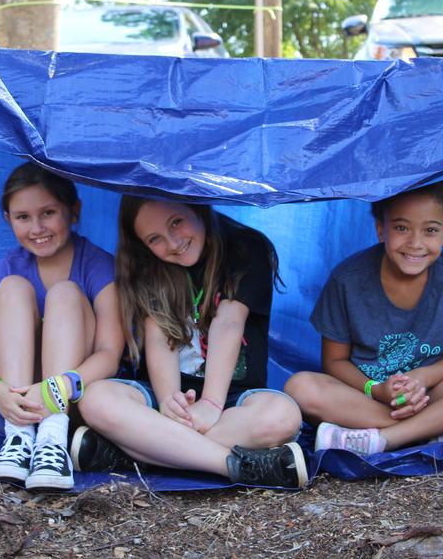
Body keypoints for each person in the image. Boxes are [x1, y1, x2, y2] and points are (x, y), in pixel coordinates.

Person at [72, 197, 307, 489]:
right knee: (95, 398)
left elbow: (228, 323)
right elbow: (159, 336)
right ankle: (238, 466)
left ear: (197, 207)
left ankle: (133, 453)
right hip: (162, 403)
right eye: (155, 238)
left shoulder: (245, 247)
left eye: (176, 222)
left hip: (230, 403)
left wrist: (210, 404)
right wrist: (171, 402)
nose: (172, 243)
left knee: (283, 417)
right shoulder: (150, 266)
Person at [284, 182, 443, 456]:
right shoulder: (347, 280)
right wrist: (377, 390)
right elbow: (334, 362)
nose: (415, 243)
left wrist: (420, 378)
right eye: (401, 228)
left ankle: (385, 439)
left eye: (431, 230)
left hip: (432, 394)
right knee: (300, 387)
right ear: (381, 229)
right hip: (366, 396)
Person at [0, 162, 123, 491]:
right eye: (23, 217)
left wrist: (57, 390)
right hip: (14, 404)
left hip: (74, 405)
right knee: (12, 287)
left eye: (48, 212)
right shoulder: (8, 267)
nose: (37, 227)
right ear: (8, 220)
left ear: (73, 211)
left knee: (66, 293)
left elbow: (111, 353)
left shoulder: (97, 265)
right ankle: (19, 441)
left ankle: (52, 441)